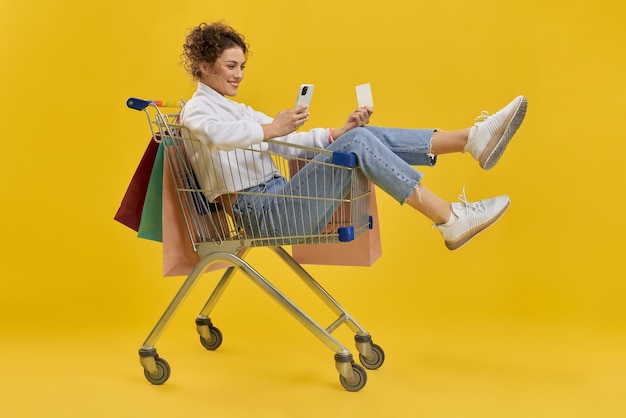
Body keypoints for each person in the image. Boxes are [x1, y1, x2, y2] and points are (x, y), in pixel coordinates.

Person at [179, 22, 527, 250]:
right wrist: (272, 127)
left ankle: (470, 140)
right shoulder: (197, 111)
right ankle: (449, 217)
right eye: (230, 66)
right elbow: (214, 137)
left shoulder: (240, 111)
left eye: (242, 67)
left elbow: (287, 145)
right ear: (205, 66)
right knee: (360, 143)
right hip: (262, 213)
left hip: (281, 198)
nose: (239, 75)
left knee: (361, 135)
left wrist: (340, 132)